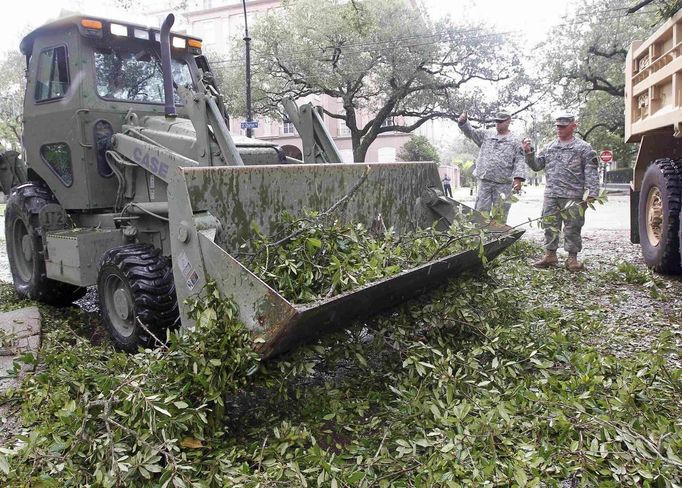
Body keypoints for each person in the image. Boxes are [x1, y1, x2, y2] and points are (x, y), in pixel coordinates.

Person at [522, 114, 600, 271]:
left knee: (573, 227)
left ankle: (572, 259)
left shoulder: (584, 148)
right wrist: (529, 153)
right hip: (552, 194)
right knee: (550, 225)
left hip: (574, 195)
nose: (559, 129)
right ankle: (550, 256)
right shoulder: (549, 147)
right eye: (557, 126)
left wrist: (592, 192)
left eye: (563, 126)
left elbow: (591, 171)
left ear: (573, 126)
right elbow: (537, 166)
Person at [458, 111, 527, 223]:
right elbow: (471, 132)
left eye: (501, 121)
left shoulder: (515, 141)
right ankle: (478, 238)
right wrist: (464, 122)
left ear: (509, 121)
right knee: (480, 214)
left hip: (503, 185)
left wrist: (518, 179)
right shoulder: (487, 135)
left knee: (500, 215)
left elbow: (519, 160)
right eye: (496, 121)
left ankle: (497, 238)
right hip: (485, 182)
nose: (498, 124)